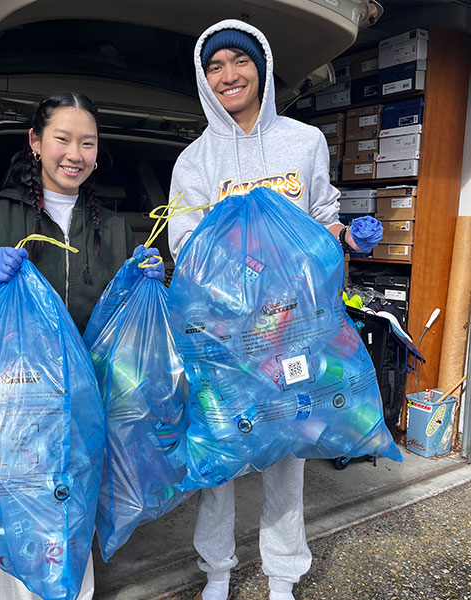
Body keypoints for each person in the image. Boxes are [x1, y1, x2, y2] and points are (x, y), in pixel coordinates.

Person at [167, 20, 382, 600]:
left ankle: (282, 574)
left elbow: (321, 216)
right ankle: (216, 571)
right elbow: (183, 243)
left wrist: (346, 233)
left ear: (261, 66)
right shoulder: (194, 161)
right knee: (222, 455)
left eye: (238, 61)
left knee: (288, 455)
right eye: (214, 66)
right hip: (225, 335)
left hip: (295, 330)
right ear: (202, 77)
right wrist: (242, 252)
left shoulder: (303, 141)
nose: (228, 75)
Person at [0, 91, 164, 600]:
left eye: (87, 143)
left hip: (83, 404)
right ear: (35, 142)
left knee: (72, 517)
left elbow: (122, 320)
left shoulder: (111, 228)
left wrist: (149, 282)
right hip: (16, 401)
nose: (74, 154)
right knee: (16, 520)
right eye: (62, 139)